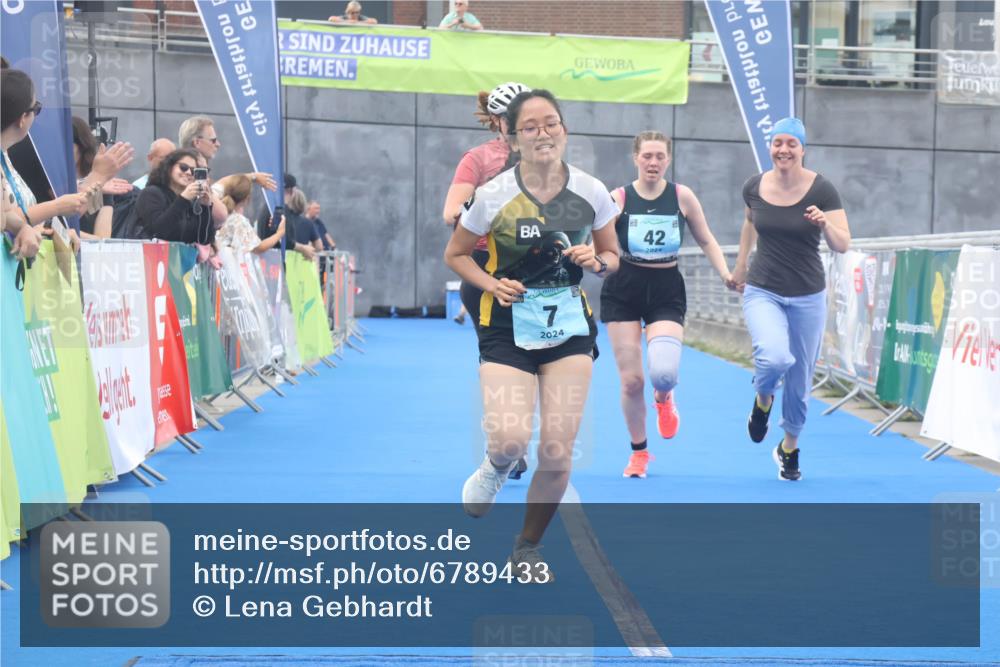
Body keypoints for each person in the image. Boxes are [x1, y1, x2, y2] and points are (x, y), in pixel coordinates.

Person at [444, 89, 619, 578]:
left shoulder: (591, 191)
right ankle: (496, 467)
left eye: (551, 123)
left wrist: (597, 260)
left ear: (564, 129)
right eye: (531, 127)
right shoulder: (494, 194)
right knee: (509, 440)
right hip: (506, 325)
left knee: (559, 448)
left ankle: (527, 546)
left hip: (568, 328)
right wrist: (491, 283)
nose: (543, 134)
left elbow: (612, 256)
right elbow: (455, 255)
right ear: (513, 136)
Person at [602, 131, 733, 479]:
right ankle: (640, 453)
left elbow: (706, 239)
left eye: (660, 156)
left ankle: (664, 398)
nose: (653, 163)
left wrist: (725, 273)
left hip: (665, 288)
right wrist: (598, 261)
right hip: (624, 287)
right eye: (647, 156)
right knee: (631, 381)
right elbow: (598, 240)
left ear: (668, 160)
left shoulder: (682, 196)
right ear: (635, 158)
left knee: (663, 373)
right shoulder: (618, 198)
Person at [730, 117, 851, 481]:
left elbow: (843, 243)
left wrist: (824, 224)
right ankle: (763, 399)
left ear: (802, 149)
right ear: (770, 147)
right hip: (763, 288)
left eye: (791, 144)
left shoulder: (822, 190)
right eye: (777, 143)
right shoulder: (754, 186)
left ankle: (789, 449)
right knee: (774, 356)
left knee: (799, 382)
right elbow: (750, 223)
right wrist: (739, 268)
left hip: (808, 295)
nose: (783, 150)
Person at [442, 81, 529, 327]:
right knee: (502, 356)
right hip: (487, 263)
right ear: (496, 120)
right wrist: (492, 203)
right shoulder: (478, 158)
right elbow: (451, 213)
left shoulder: (546, 156)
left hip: (534, 262)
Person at [1, 68, 89, 235]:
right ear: (22, 119)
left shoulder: (4, 156)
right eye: (37, 108)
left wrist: (51, 232)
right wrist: (56, 207)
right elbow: (4, 218)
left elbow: (9, 217)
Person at [131, 148, 215, 244]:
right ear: (170, 167)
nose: (188, 172)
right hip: (152, 256)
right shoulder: (150, 193)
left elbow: (205, 239)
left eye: (192, 170)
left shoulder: (190, 201)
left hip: (179, 257)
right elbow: (159, 231)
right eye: (183, 167)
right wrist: (183, 199)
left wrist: (205, 207)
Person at [217, 174, 285, 255]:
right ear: (247, 199)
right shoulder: (238, 221)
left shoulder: (215, 210)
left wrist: (254, 176)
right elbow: (259, 248)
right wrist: (280, 232)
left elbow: (222, 181)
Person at [284, 187, 320, 259]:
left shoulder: (283, 220)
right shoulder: (308, 223)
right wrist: (309, 249)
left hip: (283, 263)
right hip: (303, 263)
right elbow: (319, 246)